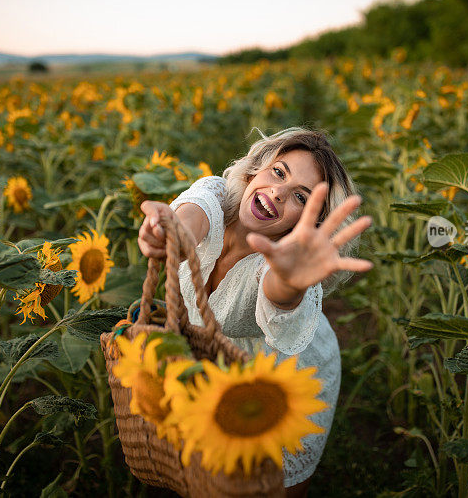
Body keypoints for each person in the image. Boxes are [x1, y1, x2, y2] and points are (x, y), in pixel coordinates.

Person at [137, 127, 373, 497]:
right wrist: (170, 233)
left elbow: (276, 293)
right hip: (210, 359)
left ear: (305, 224)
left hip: (288, 373)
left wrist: (290, 282)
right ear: (254, 171)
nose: (278, 192)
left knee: (276, 485)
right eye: (278, 172)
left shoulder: (279, 264)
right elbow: (190, 218)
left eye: (300, 197)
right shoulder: (216, 195)